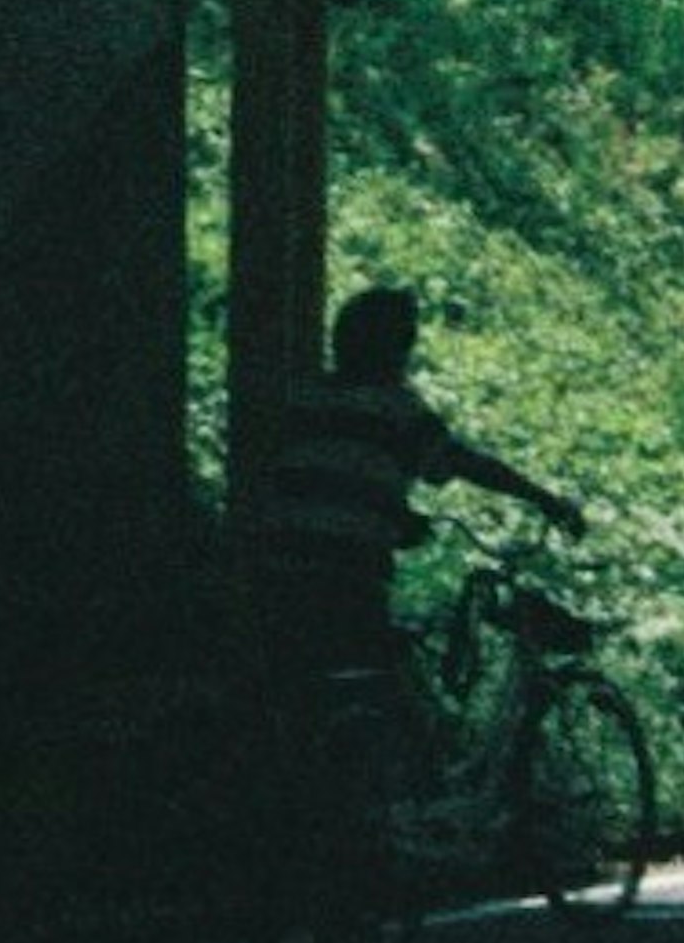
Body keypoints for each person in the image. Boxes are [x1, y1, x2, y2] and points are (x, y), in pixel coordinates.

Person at [247, 280, 583, 719]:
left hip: (273, 570)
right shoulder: (396, 409)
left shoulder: (306, 398)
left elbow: (331, 477)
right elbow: (461, 461)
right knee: (387, 695)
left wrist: (394, 515)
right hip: (346, 576)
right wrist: (544, 498)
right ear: (398, 346)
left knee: (311, 694)